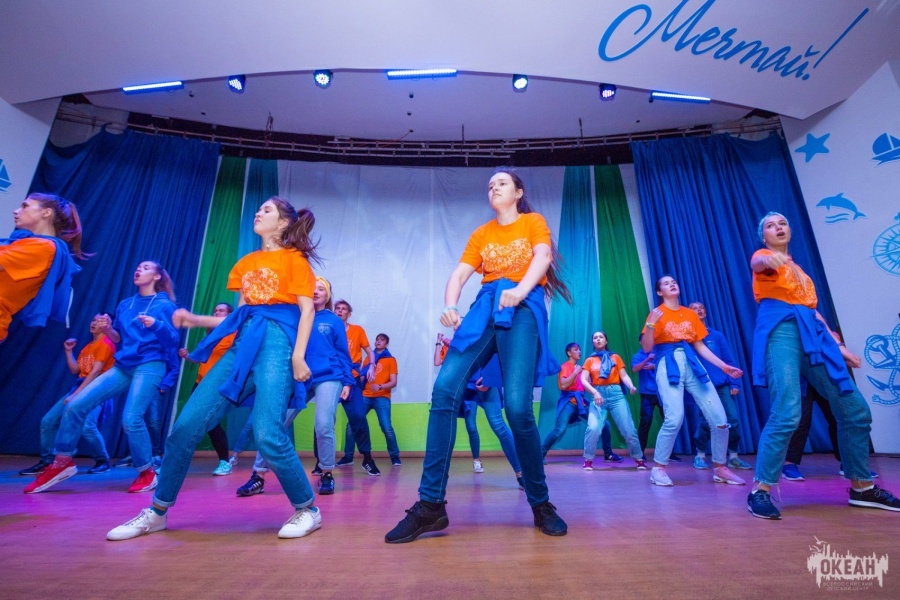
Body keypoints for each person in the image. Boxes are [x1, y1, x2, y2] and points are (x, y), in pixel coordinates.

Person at [106, 198, 326, 541]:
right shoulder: (246, 263)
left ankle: (308, 509)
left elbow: (307, 310)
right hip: (243, 344)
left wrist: (298, 356)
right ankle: (158, 511)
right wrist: (195, 320)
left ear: (284, 223)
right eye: (259, 209)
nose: (259, 213)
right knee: (185, 427)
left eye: (267, 210)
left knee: (268, 433)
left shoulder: (295, 260)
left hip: (277, 344)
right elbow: (240, 316)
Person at [386, 169, 570, 544]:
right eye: (490, 185)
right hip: (485, 307)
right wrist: (450, 306)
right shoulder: (482, 233)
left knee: (517, 408)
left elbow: (542, 256)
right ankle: (430, 506)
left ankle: (541, 503)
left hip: (522, 307)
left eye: (502, 183)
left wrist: (521, 289)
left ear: (518, 192)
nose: (494, 188)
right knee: (444, 390)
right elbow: (459, 274)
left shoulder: (533, 222)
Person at [746, 212, 899, 519]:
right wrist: (769, 259)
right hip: (781, 331)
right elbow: (758, 263)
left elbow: (812, 312)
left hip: (813, 334)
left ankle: (862, 488)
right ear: (764, 236)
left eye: (783, 223)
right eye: (771, 226)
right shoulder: (764, 257)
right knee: (787, 411)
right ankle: (760, 490)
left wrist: (838, 346)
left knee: (854, 410)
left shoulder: (800, 271)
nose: (778, 227)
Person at [25, 261, 179, 494]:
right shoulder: (126, 304)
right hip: (123, 365)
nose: (139, 269)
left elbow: (173, 341)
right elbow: (118, 339)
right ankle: (62, 461)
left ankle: (147, 472)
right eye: (138, 267)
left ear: (157, 276)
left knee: (131, 419)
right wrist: (108, 330)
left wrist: (157, 324)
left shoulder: (165, 305)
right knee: (75, 405)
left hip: (150, 364)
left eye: (146, 267)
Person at [236, 276, 354, 497]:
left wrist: (348, 382)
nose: (316, 291)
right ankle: (258, 475)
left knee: (323, 425)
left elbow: (342, 354)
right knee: (275, 424)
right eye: (312, 288)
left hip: (329, 376)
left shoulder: (333, 321)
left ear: (328, 296)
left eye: (321, 289)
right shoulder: (295, 316)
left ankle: (326, 473)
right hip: (299, 376)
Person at [640, 275, 746, 487]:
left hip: (693, 363)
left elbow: (700, 346)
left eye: (673, 281)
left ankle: (720, 468)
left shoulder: (689, 314)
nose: (672, 284)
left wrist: (723, 366)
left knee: (720, 419)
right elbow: (647, 347)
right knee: (674, 418)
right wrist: (651, 324)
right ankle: (658, 468)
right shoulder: (656, 313)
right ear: (660, 292)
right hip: (668, 362)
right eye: (666, 283)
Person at [19, 313, 116, 476]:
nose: (94, 323)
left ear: (108, 325)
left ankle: (102, 460)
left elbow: (95, 372)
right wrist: (68, 351)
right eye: (93, 319)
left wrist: (75, 395)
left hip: (96, 389)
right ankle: (48, 461)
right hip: (80, 386)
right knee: (48, 421)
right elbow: (75, 370)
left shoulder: (106, 343)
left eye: (100, 321)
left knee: (87, 426)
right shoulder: (88, 347)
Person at [435, 333, 524, 486]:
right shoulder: (457, 338)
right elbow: (444, 362)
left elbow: (495, 348)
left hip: (484, 380)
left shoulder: (483, 330)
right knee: (457, 423)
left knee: (498, 425)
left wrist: (490, 377)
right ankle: (437, 476)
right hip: (466, 384)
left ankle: (521, 471)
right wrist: (446, 344)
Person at [1, 193, 87, 343]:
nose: (16, 211)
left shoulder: (44, 248)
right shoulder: (24, 243)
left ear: (46, 213)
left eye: (25, 206)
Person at [687, 302, 753, 472]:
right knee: (705, 421)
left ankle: (733, 457)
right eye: (695, 308)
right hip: (703, 386)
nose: (699, 310)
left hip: (722, 384)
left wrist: (734, 382)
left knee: (732, 420)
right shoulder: (688, 338)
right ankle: (700, 455)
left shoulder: (716, 335)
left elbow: (728, 359)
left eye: (702, 307)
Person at [178, 302, 237, 476]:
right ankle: (175, 461)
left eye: (221, 310)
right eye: (215, 310)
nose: (217, 312)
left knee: (211, 422)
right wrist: (188, 356)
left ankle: (225, 462)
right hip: (200, 382)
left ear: (230, 314)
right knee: (187, 420)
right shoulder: (211, 334)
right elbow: (203, 358)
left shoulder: (234, 334)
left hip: (216, 384)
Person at [782, 380, 878, 481]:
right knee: (801, 419)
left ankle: (849, 465)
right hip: (801, 378)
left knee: (839, 418)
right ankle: (789, 464)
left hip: (825, 374)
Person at [579, 331, 646, 470]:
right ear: (593, 342)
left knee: (628, 429)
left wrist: (631, 386)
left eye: (601, 337)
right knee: (593, 428)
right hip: (598, 395)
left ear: (606, 341)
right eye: (595, 338)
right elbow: (583, 380)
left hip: (616, 395)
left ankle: (639, 458)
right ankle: (588, 459)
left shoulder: (615, 357)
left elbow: (624, 376)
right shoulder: (590, 360)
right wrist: (595, 392)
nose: (598, 339)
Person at [541, 342, 616, 462]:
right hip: (569, 402)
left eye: (579, 349)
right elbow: (563, 385)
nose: (579, 352)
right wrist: (575, 373)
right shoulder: (565, 367)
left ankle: (609, 454)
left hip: (581, 402)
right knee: (559, 430)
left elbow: (587, 385)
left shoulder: (582, 369)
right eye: (576, 350)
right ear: (569, 353)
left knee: (605, 424)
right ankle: (540, 454)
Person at [332, 299, 380, 475]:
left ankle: (367, 458)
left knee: (359, 416)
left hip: (352, 378)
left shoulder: (357, 330)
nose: (340, 311)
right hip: (332, 377)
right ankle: (320, 461)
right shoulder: (328, 329)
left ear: (349, 314)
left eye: (343, 309)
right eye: (337, 308)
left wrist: (372, 365)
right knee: (324, 419)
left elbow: (369, 351)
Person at [631, 344, 680, 462]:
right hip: (647, 394)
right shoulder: (638, 356)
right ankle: (640, 453)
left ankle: (670, 453)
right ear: (641, 342)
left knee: (669, 421)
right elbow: (635, 369)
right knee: (645, 421)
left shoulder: (660, 353)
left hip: (662, 392)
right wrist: (647, 359)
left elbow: (670, 366)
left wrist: (654, 365)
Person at [359, 333, 401, 465]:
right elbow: (362, 376)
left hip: (382, 397)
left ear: (386, 344)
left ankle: (395, 456)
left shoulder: (390, 359)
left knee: (386, 427)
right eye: (377, 340)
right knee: (352, 425)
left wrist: (380, 386)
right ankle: (348, 457)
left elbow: (393, 382)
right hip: (365, 396)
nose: (378, 342)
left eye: (382, 340)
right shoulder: (368, 358)